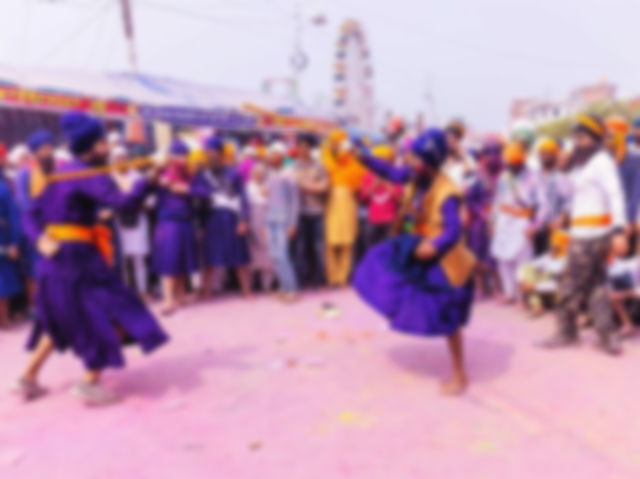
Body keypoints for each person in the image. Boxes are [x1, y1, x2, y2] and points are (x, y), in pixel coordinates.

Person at [15, 111, 168, 405]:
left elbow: (30, 214)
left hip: (55, 259)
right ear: (91, 146)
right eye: (103, 144)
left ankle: (27, 376)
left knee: (60, 318)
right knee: (109, 310)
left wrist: (40, 239)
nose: (108, 149)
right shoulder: (87, 174)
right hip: (78, 259)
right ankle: (89, 380)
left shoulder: (63, 172)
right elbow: (125, 205)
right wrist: (151, 177)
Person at [354, 128, 476, 395]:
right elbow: (391, 173)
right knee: (381, 261)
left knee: (448, 317)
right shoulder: (416, 176)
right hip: (418, 243)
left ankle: (459, 373)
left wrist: (434, 246)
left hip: (444, 256)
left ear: (429, 161)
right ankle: (397, 313)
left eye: (415, 158)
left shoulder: (448, 192)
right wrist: (363, 157)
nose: (410, 162)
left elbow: (454, 230)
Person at [540, 114, 627, 356]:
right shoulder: (582, 165)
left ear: (595, 138)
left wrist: (619, 229)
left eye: (581, 138)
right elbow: (571, 195)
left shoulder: (601, 162)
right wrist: (563, 169)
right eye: (575, 138)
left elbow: (615, 195)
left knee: (569, 284)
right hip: (581, 232)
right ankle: (608, 336)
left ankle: (567, 333)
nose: (577, 143)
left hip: (592, 235)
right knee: (597, 286)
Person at [197, 136, 251, 298]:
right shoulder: (202, 175)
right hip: (211, 218)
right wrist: (200, 225)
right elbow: (199, 202)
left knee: (239, 256)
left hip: (231, 218)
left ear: (221, 154)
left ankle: (247, 292)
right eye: (208, 153)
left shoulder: (233, 173)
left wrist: (244, 220)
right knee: (210, 258)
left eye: (214, 152)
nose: (211, 155)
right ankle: (206, 292)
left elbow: (243, 197)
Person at [153, 139, 199, 315]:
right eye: (178, 155)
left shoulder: (191, 175)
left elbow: (204, 191)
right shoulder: (161, 172)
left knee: (183, 259)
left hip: (186, 220)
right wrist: (159, 177)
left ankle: (181, 295)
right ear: (170, 156)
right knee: (169, 260)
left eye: (185, 155)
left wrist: (186, 190)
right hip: (168, 222)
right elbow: (151, 186)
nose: (182, 159)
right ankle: (168, 300)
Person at [490, 141, 537, 304]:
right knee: (503, 258)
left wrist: (535, 224)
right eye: (510, 163)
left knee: (523, 259)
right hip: (504, 221)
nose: (512, 166)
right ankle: (509, 293)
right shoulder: (504, 177)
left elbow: (541, 204)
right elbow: (497, 200)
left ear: (523, 161)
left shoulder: (534, 176)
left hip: (523, 221)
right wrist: (493, 222)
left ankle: (523, 295)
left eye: (515, 163)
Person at [322, 130, 365, 287]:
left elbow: (360, 186)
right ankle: (332, 277)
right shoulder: (332, 166)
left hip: (347, 205)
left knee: (347, 244)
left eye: (346, 151)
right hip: (332, 205)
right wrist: (331, 141)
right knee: (331, 243)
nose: (343, 153)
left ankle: (342, 278)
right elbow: (325, 153)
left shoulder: (357, 167)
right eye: (341, 150)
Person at [111, 146, 151, 296]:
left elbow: (148, 200)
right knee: (122, 258)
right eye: (117, 159)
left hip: (138, 218)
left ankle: (143, 291)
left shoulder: (138, 178)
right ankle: (125, 293)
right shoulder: (111, 178)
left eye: (123, 158)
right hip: (118, 220)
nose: (121, 161)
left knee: (139, 257)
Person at [265, 142, 300, 301]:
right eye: (270, 154)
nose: (271, 157)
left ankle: (292, 289)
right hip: (270, 220)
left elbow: (294, 201)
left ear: (281, 156)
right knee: (274, 256)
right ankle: (283, 287)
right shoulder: (268, 174)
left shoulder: (288, 174)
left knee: (283, 255)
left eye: (274, 154)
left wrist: (293, 223)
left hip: (283, 221)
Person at [292, 134, 328, 287]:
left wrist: (304, 187)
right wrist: (312, 187)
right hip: (298, 213)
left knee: (317, 246)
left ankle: (319, 278)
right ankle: (300, 279)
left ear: (311, 149)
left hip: (316, 212)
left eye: (306, 147)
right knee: (300, 247)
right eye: (300, 146)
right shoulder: (291, 167)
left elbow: (324, 187)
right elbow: (289, 189)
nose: (303, 150)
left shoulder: (319, 167)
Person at [528, 137, 568, 255]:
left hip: (554, 230)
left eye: (549, 153)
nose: (546, 156)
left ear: (555, 155)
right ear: (538, 155)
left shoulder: (562, 177)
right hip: (535, 230)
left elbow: (569, 202)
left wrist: (560, 219)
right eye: (543, 153)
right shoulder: (532, 176)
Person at [359, 144, 403, 248]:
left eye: (383, 160)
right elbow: (363, 198)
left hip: (390, 220)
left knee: (388, 251)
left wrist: (386, 184)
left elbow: (400, 198)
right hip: (373, 219)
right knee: (370, 249)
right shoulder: (368, 176)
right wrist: (374, 185)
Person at [0, 143, 22, 327]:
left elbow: (13, 216)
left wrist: (14, 242)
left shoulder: (4, 186)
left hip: (3, 237)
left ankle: (4, 318)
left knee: (4, 278)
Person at [247, 164, 275, 291]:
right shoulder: (247, 187)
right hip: (252, 219)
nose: (259, 175)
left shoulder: (270, 186)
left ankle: (267, 285)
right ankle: (250, 284)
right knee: (251, 251)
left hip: (268, 219)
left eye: (262, 173)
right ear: (252, 174)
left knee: (268, 250)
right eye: (256, 173)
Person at [443, 119, 477, 191]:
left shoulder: (468, 161)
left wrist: (463, 157)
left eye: (454, 138)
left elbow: (471, 184)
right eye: (448, 137)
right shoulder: (439, 160)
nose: (450, 141)